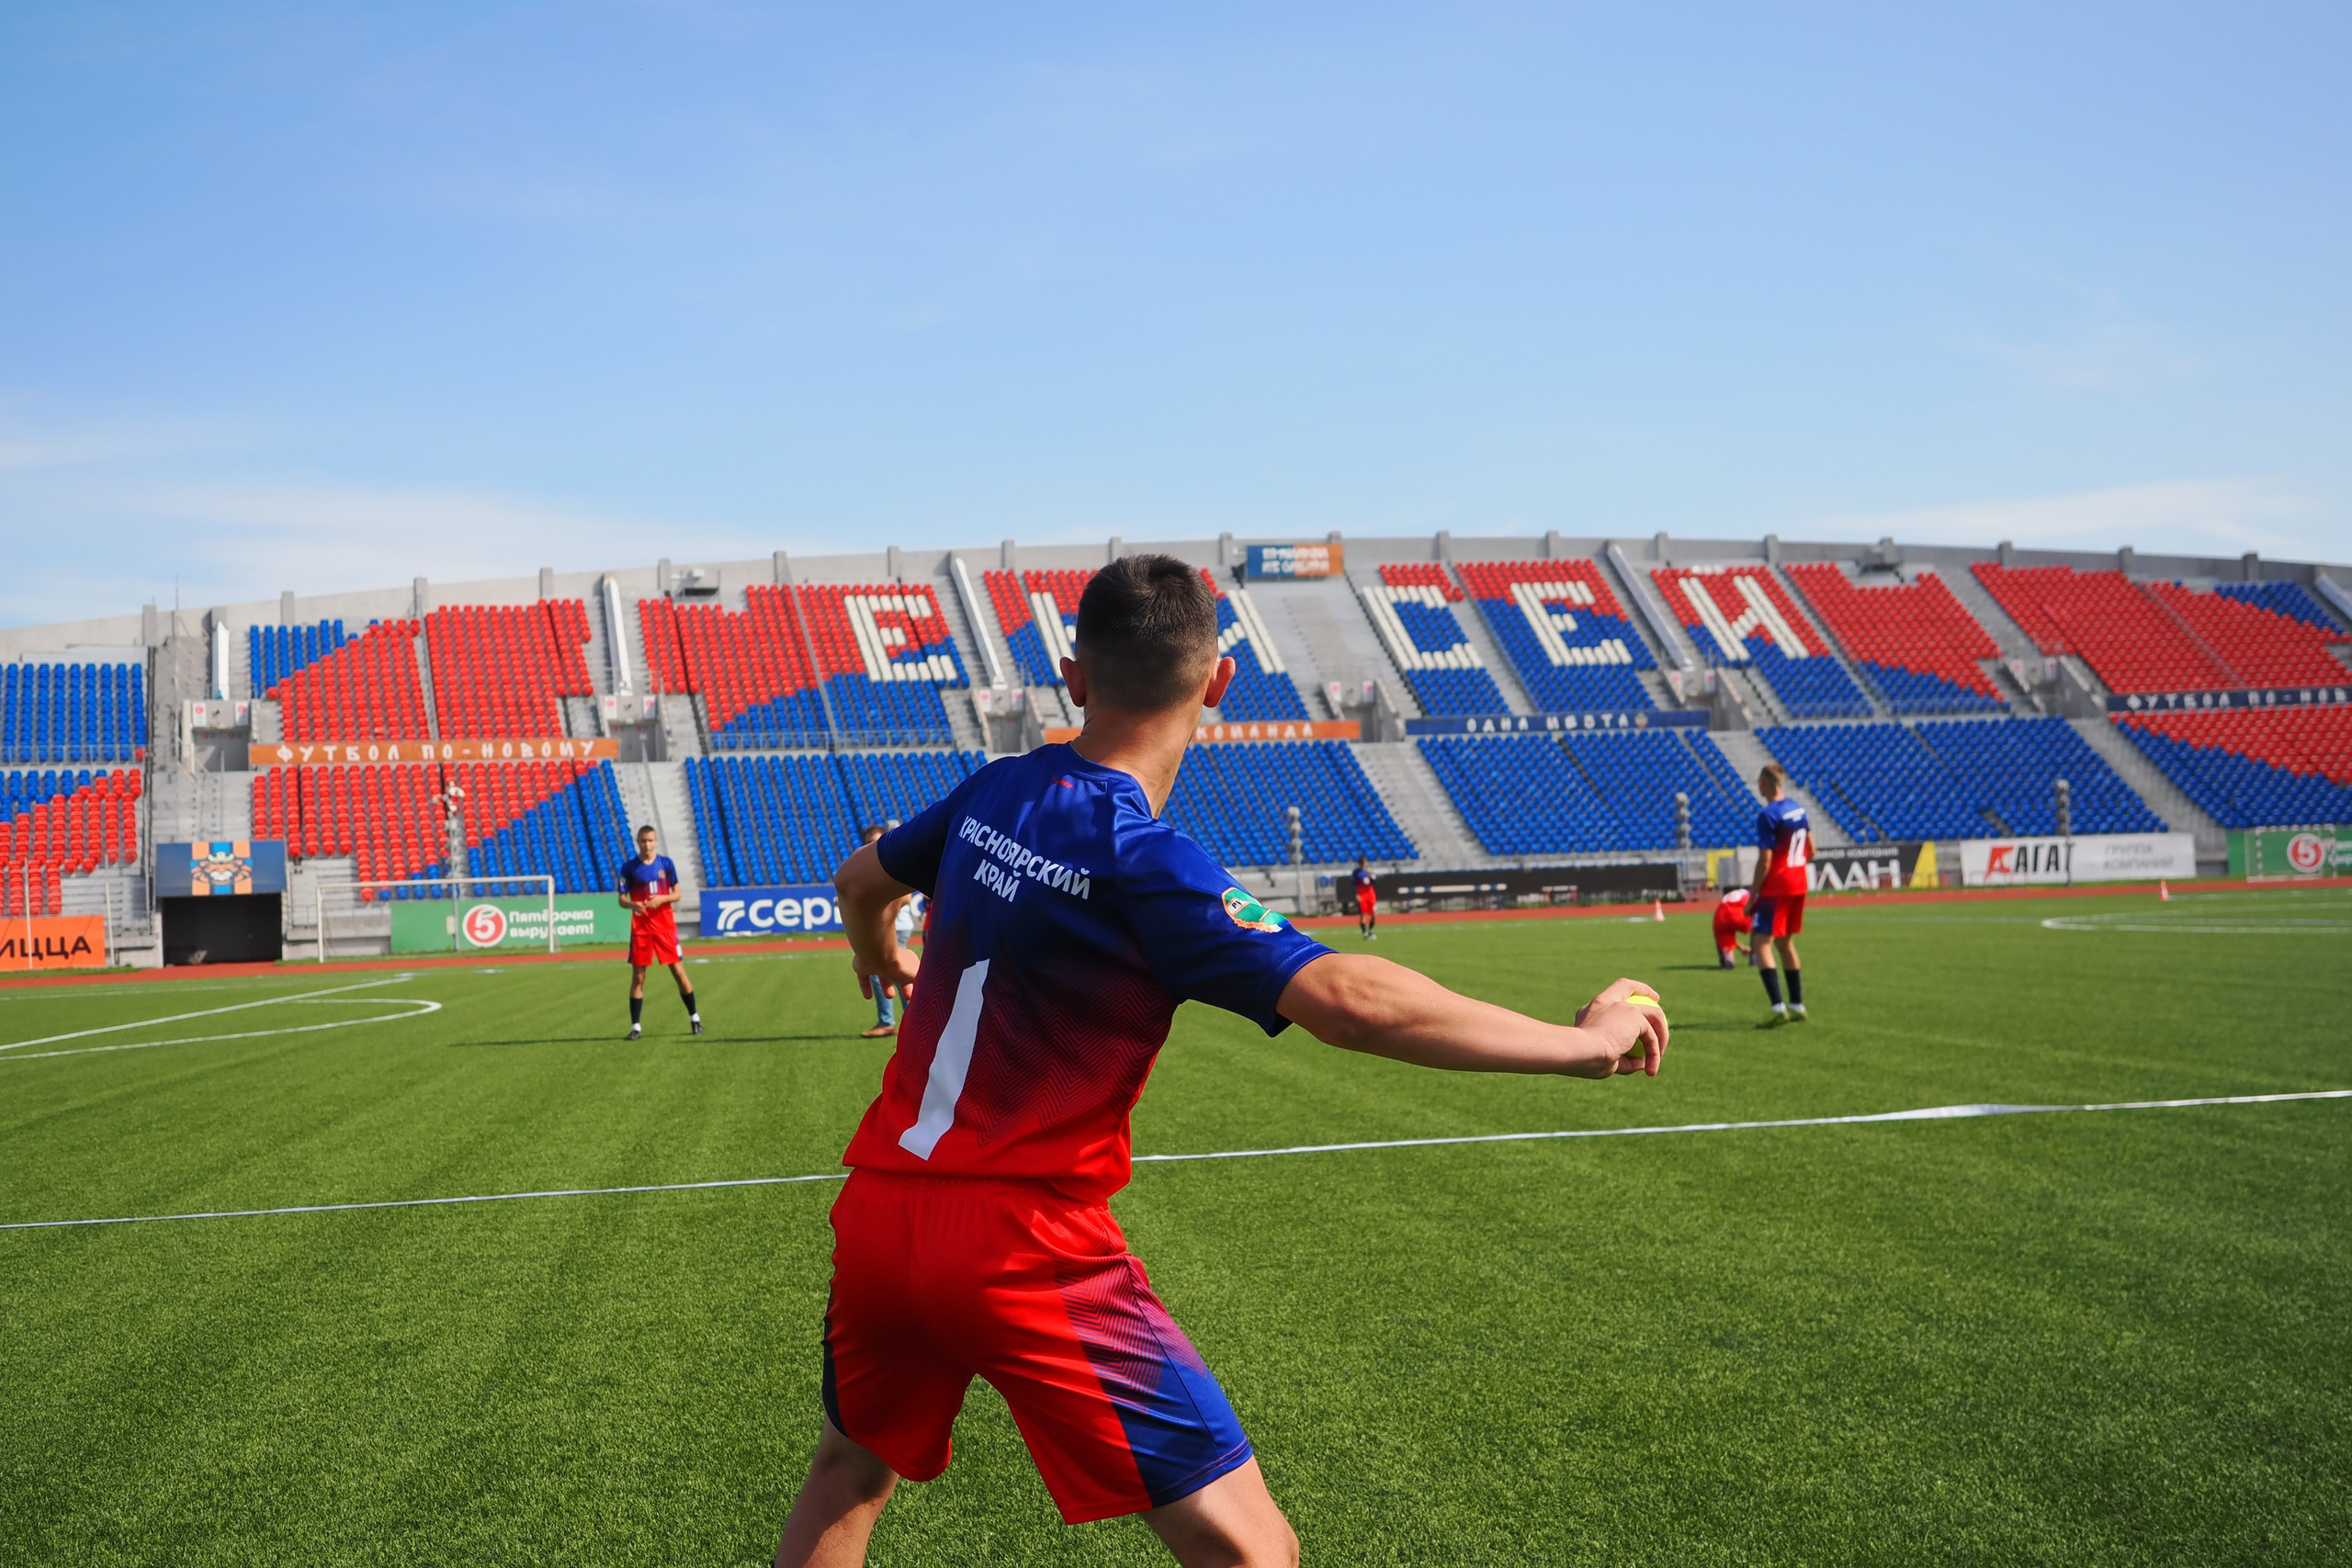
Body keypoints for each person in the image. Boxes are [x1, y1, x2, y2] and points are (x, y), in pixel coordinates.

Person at [774, 555, 1669, 1568]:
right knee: (1251, 1550)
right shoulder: (1142, 858)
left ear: (1073, 678)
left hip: (882, 1208)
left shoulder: (994, 789)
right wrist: (1584, 1044)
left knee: (847, 1474)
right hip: (1023, 1240)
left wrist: (882, 957)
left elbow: (860, 881)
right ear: (1219, 682)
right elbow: (1347, 1002)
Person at [618, 824, 701, 1040]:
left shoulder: (666, 864)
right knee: (638, 977)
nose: (646, 844)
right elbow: (621, 899)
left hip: (665, 927)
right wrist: (632, 904)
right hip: (641, 929)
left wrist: (662, 899)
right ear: (638, 842)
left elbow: (677, 894)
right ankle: (636, 1027)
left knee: (678, 972)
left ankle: (695, 1018)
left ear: (655, 841)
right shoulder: (629, 867)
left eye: (650, 840)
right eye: (643, 841)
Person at [1747, 765, 1810, 1026]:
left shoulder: (1768, 815)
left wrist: (1752, 897)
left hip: (1778, 885)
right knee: (1785, 943)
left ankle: (1777, 1008)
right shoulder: (1798, 808)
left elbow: (1765, 861)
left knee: (1761, 942)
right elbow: (1812, 849)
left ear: (1764, 783)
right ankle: (1797, 1005)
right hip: (1799, 882)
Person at [856, 824, 917, 1039]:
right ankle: (909, 1019)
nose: (873, 846)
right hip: (886, 926)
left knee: (890, 971)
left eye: (877, 841)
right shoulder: (871, 867)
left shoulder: (893, 863)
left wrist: (876, 900)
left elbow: (906, 898)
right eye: (869, 842)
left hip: (895, 926)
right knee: (888, 972)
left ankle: (895, 1021)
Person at [1712, 884, 1754, 968]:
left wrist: (1741, 948)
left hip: (1720, 918)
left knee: (1725, 939)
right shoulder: (1749, 894)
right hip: (1740, 915)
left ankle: (1728, 959)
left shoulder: (1729, 896)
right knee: (1758, 929)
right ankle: (1755, 957)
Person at [1351, 855, 1378, 940]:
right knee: (1363, 915)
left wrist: (1371, 876)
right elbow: (1354, 884)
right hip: (1362, 894)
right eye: (1362, 862)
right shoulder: (1356, 873)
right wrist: (1356, 894)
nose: (1363, 864)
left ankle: (1371, 930)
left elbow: (1374, 882)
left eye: (1365, 862)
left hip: (1370, 894)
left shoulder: (1369, 871)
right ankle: (1365, 933)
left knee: (1374, 914)